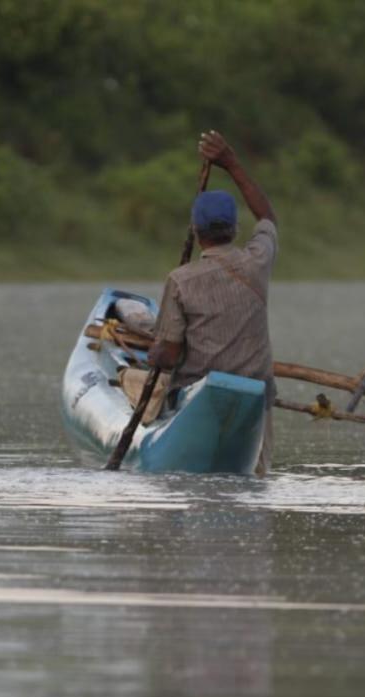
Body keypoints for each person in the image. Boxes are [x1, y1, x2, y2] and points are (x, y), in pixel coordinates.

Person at [148, 130, 278, 474]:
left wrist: (154, 353)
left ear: (195, 230)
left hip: (196, 398)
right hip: (256, 398)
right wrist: (232, 164)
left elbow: (169, 355)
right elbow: (268, 218)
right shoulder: (258, 261)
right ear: (235, 229)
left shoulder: (180, 280)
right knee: (255, 479)